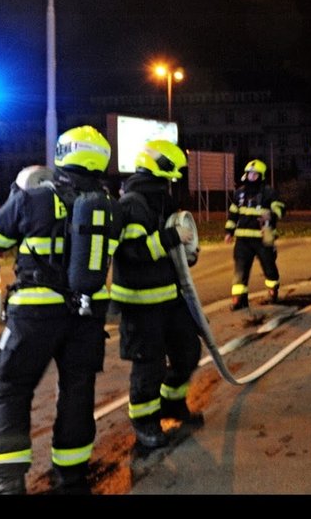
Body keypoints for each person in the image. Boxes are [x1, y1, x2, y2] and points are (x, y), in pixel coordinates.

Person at [0, 126, 120, 494]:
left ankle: (3, 484)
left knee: (11, 388)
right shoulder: (109, 208)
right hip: (87, 315)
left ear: (63, 153)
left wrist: (17, 192)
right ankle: (72, 478)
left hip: (34, 313)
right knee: (77, 392)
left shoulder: (35, 197)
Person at [110, 139, 203, 450]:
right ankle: (145, 423)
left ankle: (172, 404)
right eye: (172, 176)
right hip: (140, 302)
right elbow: (134, 250)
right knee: (148, 366)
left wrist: (186, 248)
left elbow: (167, 246)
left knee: (188, 351)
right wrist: (172, 236)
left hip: (168, 297)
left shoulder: (159, 200)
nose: (174, 182)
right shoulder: (132, 203)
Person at [224, 159, 286, 311]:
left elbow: (280, 209)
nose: (251, 176)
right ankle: (239, 299)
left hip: (263, 239)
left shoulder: (268, 192)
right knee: (240, 270)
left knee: (268, 266)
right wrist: (229, 232)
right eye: (249, 174)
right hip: (243, 240)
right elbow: (233, 214)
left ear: (261, 175)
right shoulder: (239, 194)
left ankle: (272, 291)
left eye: (254, 174)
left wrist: (270, 215)